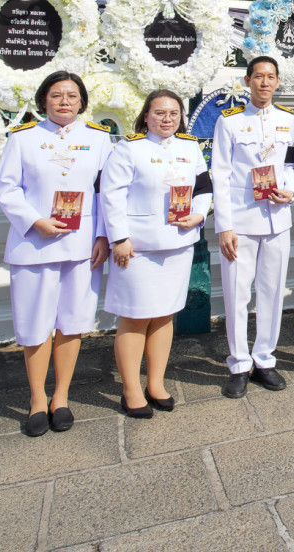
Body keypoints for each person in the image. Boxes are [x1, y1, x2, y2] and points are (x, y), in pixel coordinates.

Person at [0, 71, 112, 436]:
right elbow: (6, 189)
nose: (65, 101)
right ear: (43, 100)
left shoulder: (99, 140)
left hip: (81, 246)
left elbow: (107, 192)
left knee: (73, 321)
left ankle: (60, 397)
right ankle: (35, 399)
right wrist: (34, 221)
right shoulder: (24, 139)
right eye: (57, 95)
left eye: (72, 96)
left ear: (82, 101)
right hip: (35, 244)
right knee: (34, 325)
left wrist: (103, 236)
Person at [100, 90, 212, 417]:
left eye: (173, 113)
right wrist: (118, 238)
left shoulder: (189, 147)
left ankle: (156, 383)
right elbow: (112, 195)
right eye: (160, 113)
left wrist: (200, 214)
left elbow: (203, 188)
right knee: (135, 317)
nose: (167, 119)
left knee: (164, 315)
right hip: (137, 248)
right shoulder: (129, 149)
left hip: (177, 244)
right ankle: (131, 389)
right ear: (146, 115)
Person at [211, 55, 294, 398]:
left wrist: (288, 190)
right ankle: (239, 363)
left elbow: (290, 163)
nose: (264, 83)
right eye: (258, 77)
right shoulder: (229, 122)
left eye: (271, 77)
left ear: (277, 82)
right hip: (242, 221)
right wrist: (224, 226)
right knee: (237, 294)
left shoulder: (288, 120)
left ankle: (264, 358)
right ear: (247, 81)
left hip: (276, 219)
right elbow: (219, 174)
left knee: (273, 291)